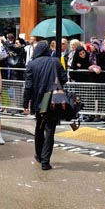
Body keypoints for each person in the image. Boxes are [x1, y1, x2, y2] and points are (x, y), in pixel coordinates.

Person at [22, 41, 68, 170]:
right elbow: (64, 79)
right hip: (53, 99)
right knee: (50, 129)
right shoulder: (56, 62)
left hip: (39, 100)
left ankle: (39, 154)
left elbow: (28, 86)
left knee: (39, 126)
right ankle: (45, 161)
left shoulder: (31, 64)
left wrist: (25, 102)